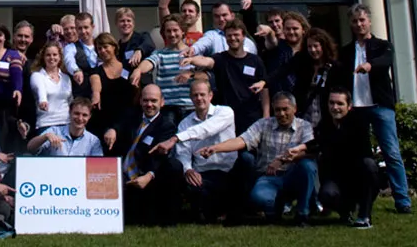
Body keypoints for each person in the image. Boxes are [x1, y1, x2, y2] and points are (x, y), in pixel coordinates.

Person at [199, 92, 317, 226]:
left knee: (308, 165)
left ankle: (303, 216)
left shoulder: (305, 126)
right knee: (259, 198)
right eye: (277, 110)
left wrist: (283, 159)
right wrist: (216, 148)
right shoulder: (263, 124)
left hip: (293, 176)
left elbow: (310, 150)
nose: (281, 114)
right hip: (269, 178)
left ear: (294, 109)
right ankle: (273, 211)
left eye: (285, 109)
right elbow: (242, 140)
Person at [339, 3, 412, 214]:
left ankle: (402, 200)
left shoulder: (382, 45)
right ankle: (360, 198)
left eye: (362, 20)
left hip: (381, 107)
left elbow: (385, 61)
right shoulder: (346, 51)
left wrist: (369, 66)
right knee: (358, 156)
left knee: (391, 153)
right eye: (355, 21)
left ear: (369, 21)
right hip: (356, 109)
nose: (359, 24)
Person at [154, 77, 236, 223]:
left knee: (247, 163)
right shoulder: (185, 123)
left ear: (210, 95)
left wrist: (175, 138)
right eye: (195, 95)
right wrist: (188, 170)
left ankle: (234, 212)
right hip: (203, 172)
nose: (199, 98)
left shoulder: (225, 112)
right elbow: (182, 153)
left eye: (202, 94)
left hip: (229, 171)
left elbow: (207, 129)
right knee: (193, 188)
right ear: (190, 97)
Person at [300, 87, 380, 229]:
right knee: (327, 195)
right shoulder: (325, 124)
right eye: (331, 103)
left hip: (358, 178)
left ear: (349, 106)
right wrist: (297, 150)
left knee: (369, 165)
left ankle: (364, 215)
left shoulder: (359, 123)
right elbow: (316, 143)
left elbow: (332, 143)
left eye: (340, 104)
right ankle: (345, 212)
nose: (335, 107)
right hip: (336, 179)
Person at [105, 84, 181, 227]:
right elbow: (119, 124)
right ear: (140, 101)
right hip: (121, 174)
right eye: (146, 100)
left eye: (154, 101)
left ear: (162, 102)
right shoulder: (132, 116)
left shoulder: (166, 125)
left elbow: (160, 157)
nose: (149, 104)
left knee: (174, 166)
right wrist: (113, 130)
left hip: (144, 179)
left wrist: (149, 175)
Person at [253, 27, 349, 127]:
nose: (313, 50)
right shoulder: (302, 60)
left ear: (323, 46)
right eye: (309, 47)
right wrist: (264, 82)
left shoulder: (335, 67)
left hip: (326, 114)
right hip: (304, 113)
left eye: (316, 46)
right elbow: (282, 71)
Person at [184, 20, 269, 134]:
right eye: (229, 35)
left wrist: (266, 114)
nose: (233, 38)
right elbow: (206, 61)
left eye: (236, 35)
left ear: (243, 36)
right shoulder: (220, 59)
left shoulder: (255, 60)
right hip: (225, 118)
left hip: (251, 117)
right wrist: (192, 59)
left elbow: (264, 89)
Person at [132, 15, 194, 123]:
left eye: (175, 30)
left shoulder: (193, 53)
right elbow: (149, 62)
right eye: (168, 31)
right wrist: (139, 70)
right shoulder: (160, 54)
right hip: (168, 108)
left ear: (183, 31)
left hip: (190, 107)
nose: (172, 34)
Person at [89, 32, 137, 144]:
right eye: (99, 49)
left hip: (127, 119)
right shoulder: (97, 71)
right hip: (105, 121)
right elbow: (95, 81)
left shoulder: (128, 67)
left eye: (105, 47)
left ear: (114, 47)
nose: (102, 51)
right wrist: (96, 94)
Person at [27, 97, 103, 157]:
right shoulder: (54, 131)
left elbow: (97, 167)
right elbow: (30, 148)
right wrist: (45, 137)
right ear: (69, 112)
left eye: (84, 115)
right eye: (76, 113)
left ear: (89, 116)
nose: (80, 118)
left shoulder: (93, 141)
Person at [256, 11, 308, 94]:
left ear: (303, 30)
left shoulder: (309, 50)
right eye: (288, 29)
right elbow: (271, 41)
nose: (291, 32)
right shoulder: (277, 46)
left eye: (295, 28)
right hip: (278, 99)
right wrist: (269, 32)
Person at [185, 1, 259, 57]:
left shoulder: (249, 43)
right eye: (217, 16)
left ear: (232, 16)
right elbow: (202, 44)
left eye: (224, 15)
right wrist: (193, 49)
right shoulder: (211, 35)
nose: (221, 19)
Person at [29, 41, 72, 133]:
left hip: (66, 123)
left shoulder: (66, 78)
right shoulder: (37, 75)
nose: (52, 58)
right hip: (46, 124)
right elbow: (41, 88)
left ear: (60, 57)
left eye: (55, 54)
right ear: (43, 58)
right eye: (48, 55)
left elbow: (70, 100)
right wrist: (43, 100)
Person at [62, 12, 99, 98]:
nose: (83, 31)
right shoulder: (70, 48)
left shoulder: (101, 45)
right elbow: (69, 60)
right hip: (82, 96)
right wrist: (76, 70)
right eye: (79, 28)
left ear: (92, 27)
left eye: (86, 27)